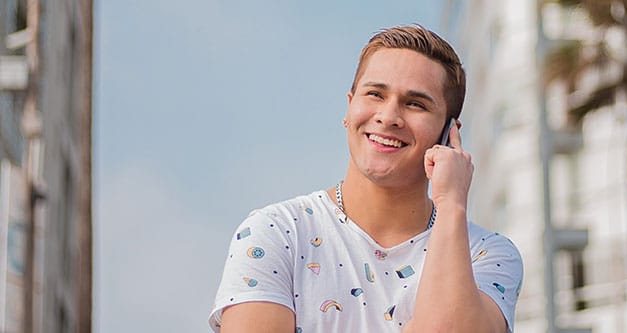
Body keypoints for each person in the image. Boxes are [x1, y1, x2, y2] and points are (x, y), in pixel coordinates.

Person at [209, 25, 523, 332]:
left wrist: (452, 205)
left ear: (448, 133)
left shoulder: (486, 253)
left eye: (415, 104)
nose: (388, 117)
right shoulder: (276, 234)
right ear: (349, 107)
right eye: (375, 93)